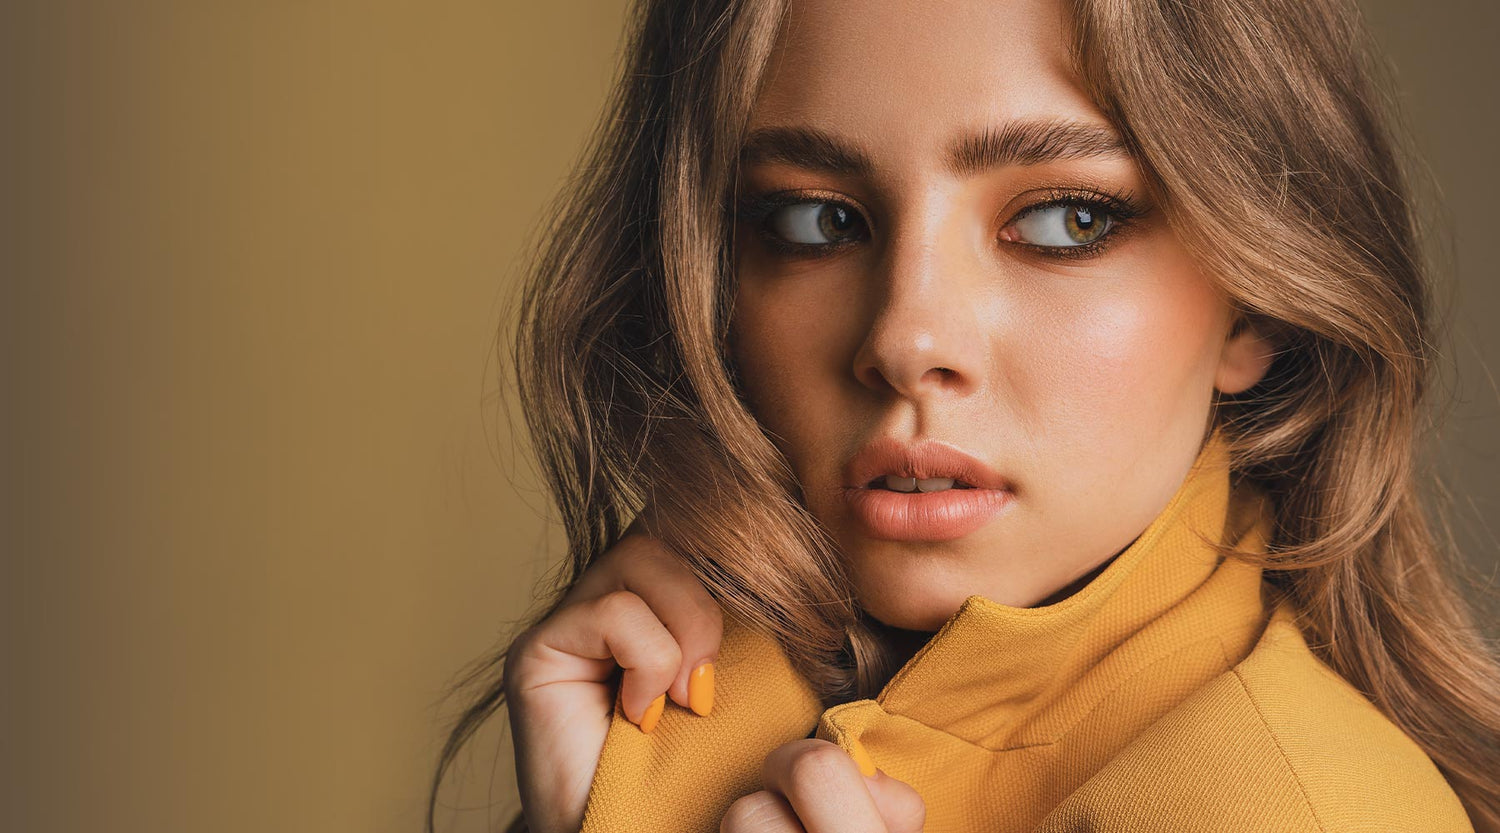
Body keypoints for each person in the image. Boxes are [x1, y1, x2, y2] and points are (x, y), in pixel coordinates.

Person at [428, 0, 1500, 830]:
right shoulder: (683, 706)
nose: (905, 336)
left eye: (1068, 219)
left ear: (1255, 297)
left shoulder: (1296, 807)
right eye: (814, 219)